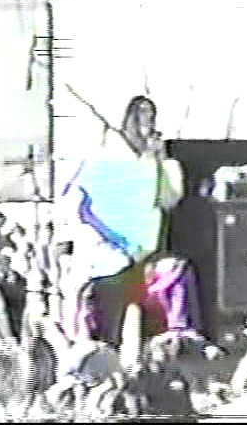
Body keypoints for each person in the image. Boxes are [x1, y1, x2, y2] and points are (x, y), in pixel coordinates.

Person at [58, 95, 184, 345]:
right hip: (106, 255)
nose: (147, 124)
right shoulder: (101, 158)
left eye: (151, 117)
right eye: (141, 116)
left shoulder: (152, 162)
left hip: (139, 255)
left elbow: (169, 199)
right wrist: (105, 239)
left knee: (136, 326)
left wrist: (161, 160)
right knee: (103, 327)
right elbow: (77, 205)